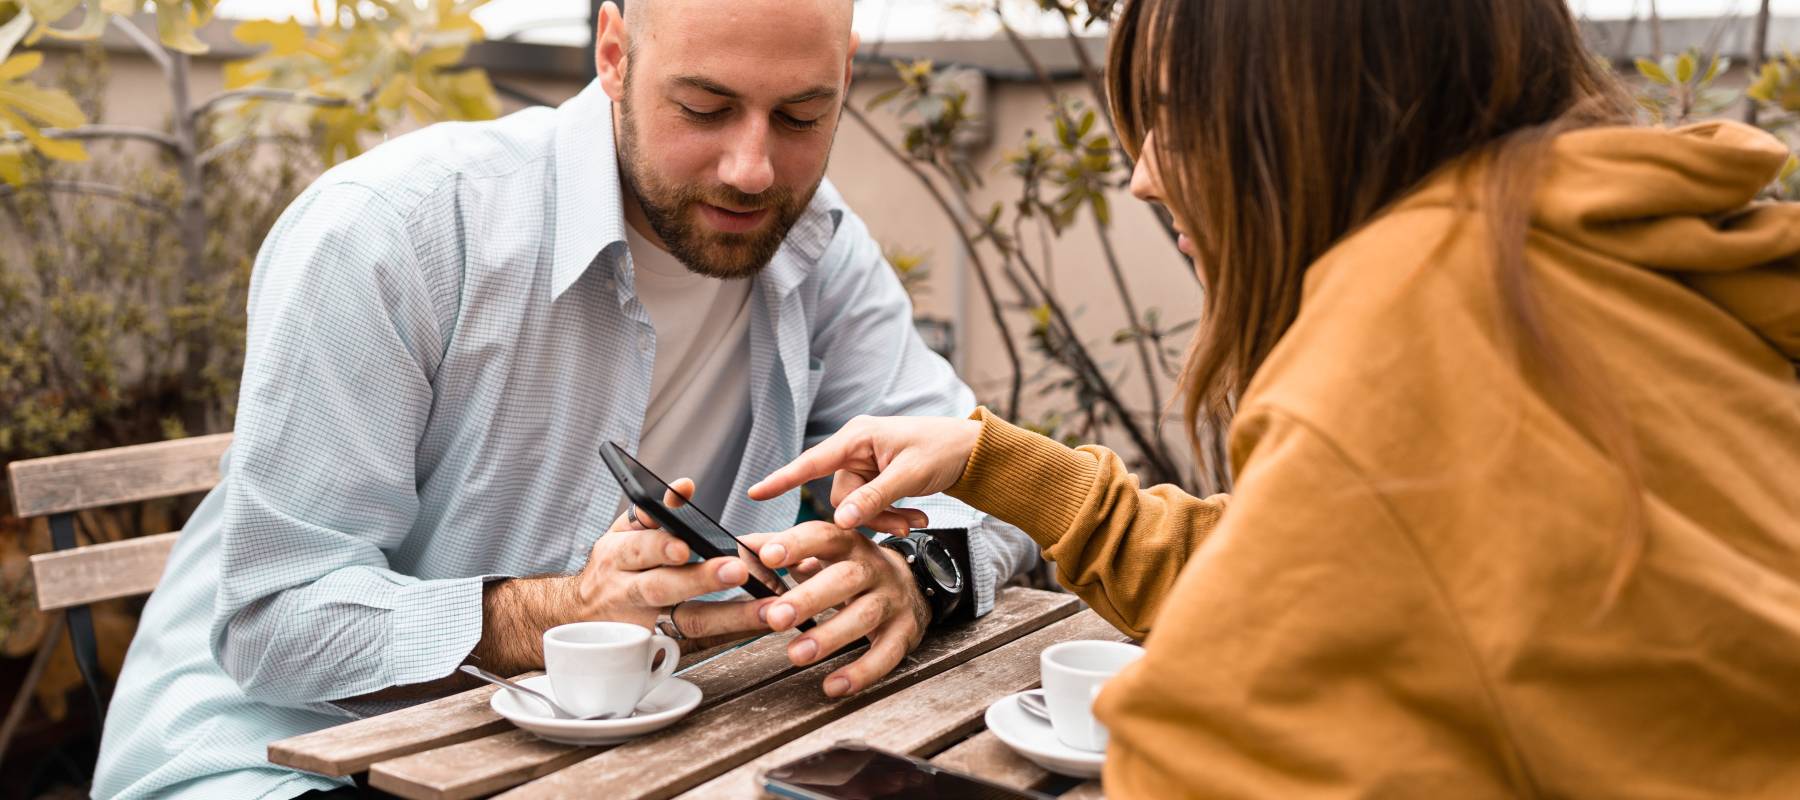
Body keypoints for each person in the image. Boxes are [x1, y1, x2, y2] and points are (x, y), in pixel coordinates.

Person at [748, 0, 1800, 796]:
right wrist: (1005, 466)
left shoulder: (1426, 326)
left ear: (1319, 113)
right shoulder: (1592, 264)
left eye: (1174, 116)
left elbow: (1206, 750)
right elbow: (1335, 581)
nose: (1145, 178)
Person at [92, 1, 1040, 796]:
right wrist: (552, 614)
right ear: (615, 56)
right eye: (706, 108)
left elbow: (987, 482)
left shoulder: (817, 247)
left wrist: (917, 574)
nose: (753, 169)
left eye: (801, 116)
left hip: (589, 755)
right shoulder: (391, 235)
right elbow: (275, 620)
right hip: (273, 761)